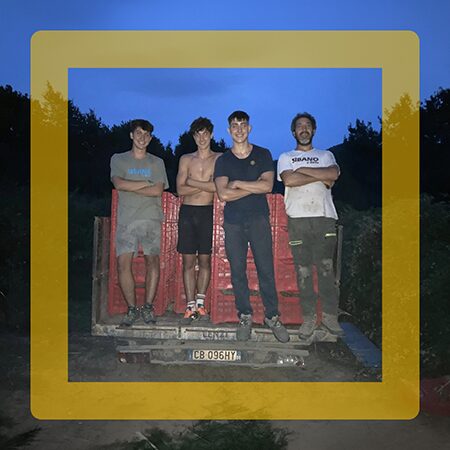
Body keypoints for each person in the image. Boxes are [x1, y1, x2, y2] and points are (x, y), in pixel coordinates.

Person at [214, 110, 289, 343]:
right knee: (237, 271)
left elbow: (267, 186)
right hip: (233, 222)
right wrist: (252, 185)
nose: (239, 129)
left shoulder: (263, 154)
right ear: (229, 130)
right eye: (234, 125)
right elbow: (223, 194)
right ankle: (245, 316)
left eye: (243, 124)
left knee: (265, 269)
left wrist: (237, 183)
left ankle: (272, 316)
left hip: (258, 219)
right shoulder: (223, 160)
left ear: (249, 128)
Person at [277, 112, 343, 338]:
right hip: (297, 219)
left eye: (307, 125)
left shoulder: (326, 155)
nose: (303, 129)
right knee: (303, 270)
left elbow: (333, 174)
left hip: (324, 217)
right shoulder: (286, 157)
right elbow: (289, 180)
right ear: (293, 132)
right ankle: (308, 318)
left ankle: (330, 317)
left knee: (326, 268)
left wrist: (302, 171)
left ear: (313, 130)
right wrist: (321, 177)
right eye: (299, 126)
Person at [110, 119, 169, 326]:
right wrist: (145, 183)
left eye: (146, 135)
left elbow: (157, 190)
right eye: (138, 133)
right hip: (126, 219)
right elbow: (118, 184)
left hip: (151, 217)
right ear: (131, 135)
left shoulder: (157, 162)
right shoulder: (118, 159)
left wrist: (131, 185)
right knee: (122, 264)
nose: (142, 138)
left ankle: (148, 307)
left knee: (152, 262)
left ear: (150, 138)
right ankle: (132, 309)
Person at [176, 117, 220, 324]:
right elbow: (180, 189)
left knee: (204, 260)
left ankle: (200, 304)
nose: (202, 138)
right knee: (188, 261)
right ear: (193, 137)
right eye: (197, 134)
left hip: (208, 212)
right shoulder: (186, 159)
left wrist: (191, 181)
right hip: (187, 212)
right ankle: (190, 305)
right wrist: (206, 184)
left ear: (211, 135)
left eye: (205, 134)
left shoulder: (219, 158)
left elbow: (218, 187)